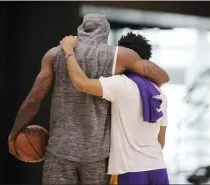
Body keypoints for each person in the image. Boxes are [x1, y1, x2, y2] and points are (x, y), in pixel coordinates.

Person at [8, 14, 169, 185]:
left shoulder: (54, 54)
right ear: (106, 33)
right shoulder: (120, 56)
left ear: (81, 29)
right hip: (98, 155)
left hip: (60, 150)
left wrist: (14, 133)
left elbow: (34, 99)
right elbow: (162, 77)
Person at [59, 33, 169, 185]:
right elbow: (160, 141)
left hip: (131, 171)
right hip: (158, 169)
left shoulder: (120, 85)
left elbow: (81, 83)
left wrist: (68, 50)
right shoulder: (160, 93)